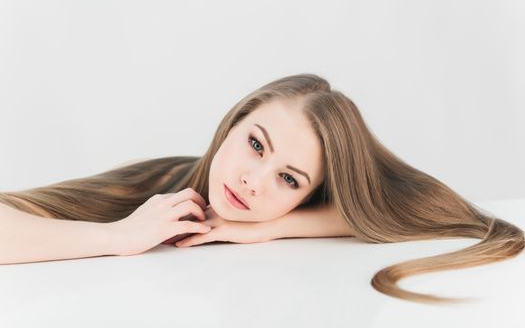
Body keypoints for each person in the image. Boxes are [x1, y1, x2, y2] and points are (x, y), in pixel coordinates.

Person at [0, 73, 523, 305]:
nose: (254, 181)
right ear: (233, 122)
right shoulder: (158, 183)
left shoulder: (284, 218)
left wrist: (272, 228)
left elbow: (421, 207)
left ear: (309, 196)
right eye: (255, 144)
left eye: (289, 179)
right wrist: (122, 235)